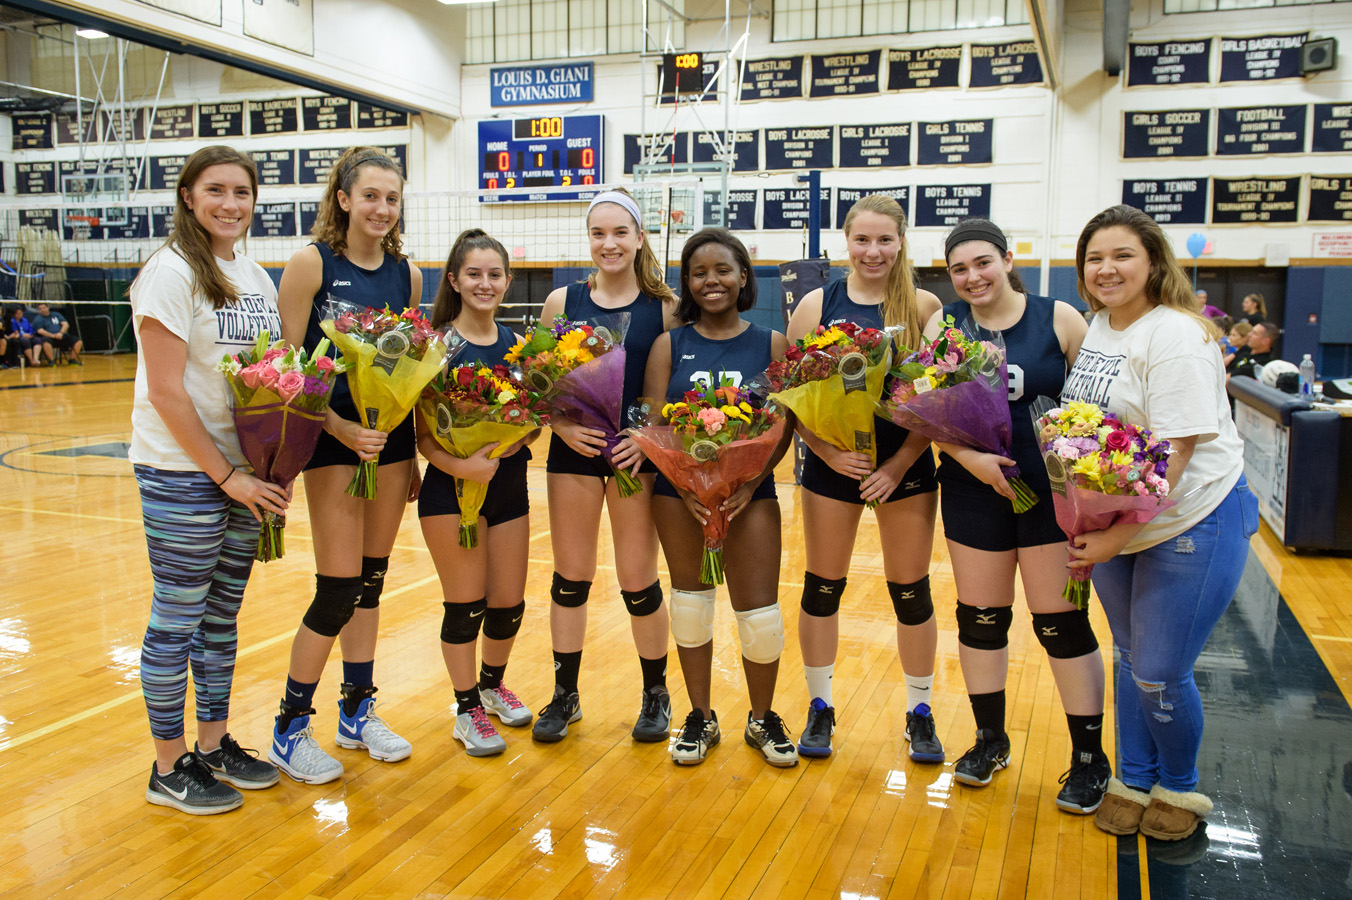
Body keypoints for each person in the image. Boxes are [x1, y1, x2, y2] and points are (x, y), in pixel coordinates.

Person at [1061, 204, 1258, 841]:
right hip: (1123, 516)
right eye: (1095, 257)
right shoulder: (1100, 325)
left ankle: (1179, 784)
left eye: (1122, 255)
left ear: (1153, 262)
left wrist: (1114, 536)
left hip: (1192, 517)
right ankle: (1134, 778)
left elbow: (1178, 451)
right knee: (1127, 657)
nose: (1107, 268)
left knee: (1158, 668)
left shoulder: (1176, 334)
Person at [928, 218, 1110, 812]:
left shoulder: (1059, 318)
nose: (972, 277)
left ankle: (1089, 758)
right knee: (980, 618)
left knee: (1059, 622)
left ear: (1008, 259)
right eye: (959, 269)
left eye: (983, 262)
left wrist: (1088, 495)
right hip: (972, 486)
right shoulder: (944, 323)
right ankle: (989, 739)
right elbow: (923, 410)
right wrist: (971, 459)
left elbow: (1094, 414)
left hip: (1051, 495)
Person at [128, 145, 288, 814]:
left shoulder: (254, 275)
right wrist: (226, 475)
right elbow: (166, 392)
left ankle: (214, 744)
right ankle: (168, 767)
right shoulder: (168, 273)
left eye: (242, 192)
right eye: (215, 190)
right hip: (183, 472)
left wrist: (273, 467)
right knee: (177, 618)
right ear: (189, 197)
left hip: (242, 475)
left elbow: (272, 380)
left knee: (220, 619)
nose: (230, 203)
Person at [269, 146, 422, 783]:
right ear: (343, 199)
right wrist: (336, 425)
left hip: (387, 445)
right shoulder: (310, 264)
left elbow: (409, 369)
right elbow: (284, 366)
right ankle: (288, 726)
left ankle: (357, 711)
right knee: (336, 588)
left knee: (371, 582)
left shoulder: (408, 275)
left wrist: (405, 451)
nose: (381, 209)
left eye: (391, 198)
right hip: (331, 443)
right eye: (370, 197)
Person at [785, 194, 945, 761]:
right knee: (821, 588)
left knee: (911, 592)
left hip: (905, 465)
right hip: (834, 465)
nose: (872, 251)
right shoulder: (815, 304)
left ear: (901, 241)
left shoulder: (924, 306)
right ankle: (820, 707)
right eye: (862, 240)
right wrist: (826, 455)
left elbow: (941, 399)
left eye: (884, 240)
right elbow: (795, 399)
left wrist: (898, 464)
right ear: (845, 242)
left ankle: (919, 712)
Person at [641, 228, 798, 766]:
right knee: (690, 608)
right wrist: (687, 486)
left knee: (759, 615)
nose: (712, 281)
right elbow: (654, 424)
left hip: (750, 496)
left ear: (744, 276)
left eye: (723, 270)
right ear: (686, 282)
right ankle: (701, 717)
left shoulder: (772, 343)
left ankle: (762, 718)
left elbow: (784, 423)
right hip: (677, 496)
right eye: (699, 272)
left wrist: (751, 482)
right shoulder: (669, 344)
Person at [531, 188, 679, 744]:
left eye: (621, 232)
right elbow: (540, 385)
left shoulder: (664, 306)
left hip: (634, 458)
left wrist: (647, 439)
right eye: (599, 233)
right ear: (588, 239)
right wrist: (562, 426)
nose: (609, 243)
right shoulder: (561, 301)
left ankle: (655, 693)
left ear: (640, 238)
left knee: (638, 579)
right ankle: (565, 695)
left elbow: (671, 389)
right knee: (570, 578)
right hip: (573, 454)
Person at [418, 229, 538, 756]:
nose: (485, 283)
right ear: (455, 280)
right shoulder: (436, 347)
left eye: (494, 275)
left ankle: (491, 685)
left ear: (507, 281)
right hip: (449, 489)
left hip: (508, 486)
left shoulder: (518, 346)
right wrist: (461, 464)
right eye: (474, 274)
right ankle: (466, 708)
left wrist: (521, 437)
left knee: (508, 603)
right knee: (465, 603)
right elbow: (424, 437)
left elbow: (535, 419)